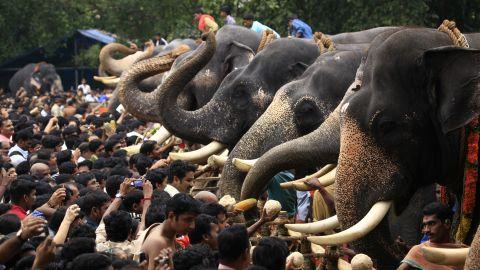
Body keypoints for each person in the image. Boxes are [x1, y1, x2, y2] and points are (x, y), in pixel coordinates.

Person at [398, 202, 468, 270]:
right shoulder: (419, 251)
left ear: (447, 224)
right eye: (424, 225)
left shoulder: (465, 252)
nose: (426, 230)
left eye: (431, 223)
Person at [141, 193, 201, 270]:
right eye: (188, 220)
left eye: (194, 220)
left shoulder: (168, 232)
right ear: (171, 216)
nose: (192, 226)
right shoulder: (158, 242)